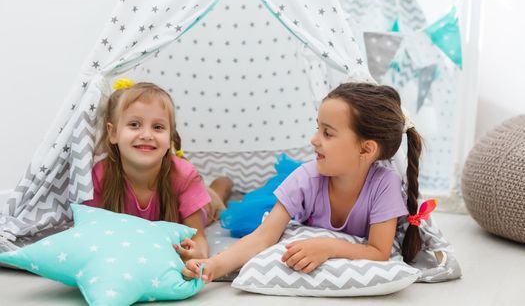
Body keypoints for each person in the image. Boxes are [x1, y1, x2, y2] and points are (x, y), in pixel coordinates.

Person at [183, 82, 428, 281]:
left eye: (328, 133)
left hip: (310, 189)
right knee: (248, 216)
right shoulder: (306, 178)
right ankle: (222, 186)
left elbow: (379, 251)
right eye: (317, 128)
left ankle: (221, 187)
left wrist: (329, 247)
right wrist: (213, 265)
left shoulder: (385, 185)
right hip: (292, 190)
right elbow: (262, 238)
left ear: (366, 150)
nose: (314, 140)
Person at [83, 79, 233, 262]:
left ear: (170, 136)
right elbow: (92, 234)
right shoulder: (100, 176)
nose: (146, 135)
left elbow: (197, 238)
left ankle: (222, 183)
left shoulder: (184, 176)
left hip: (200, 204)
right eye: (134, 124)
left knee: (216, 198)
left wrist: (196, 255)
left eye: (158, 127)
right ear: (113, 133)